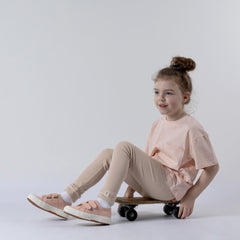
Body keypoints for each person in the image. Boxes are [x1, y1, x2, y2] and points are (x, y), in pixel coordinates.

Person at [27, 56, 219, 225]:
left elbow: (212, 168)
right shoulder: (158, 125)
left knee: (124, 147)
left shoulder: (191, 129)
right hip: (155, 181)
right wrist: (131, 187)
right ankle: (66, 197)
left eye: (168, 93)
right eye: (156, 92)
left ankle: (104, 204)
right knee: (109, 154)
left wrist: (190, 198)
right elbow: (143, 161)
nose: (161, 98)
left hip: (171, 187)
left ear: (185, 97)